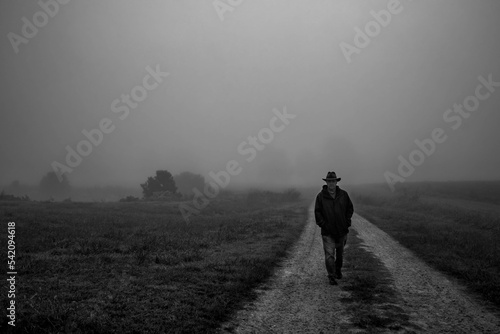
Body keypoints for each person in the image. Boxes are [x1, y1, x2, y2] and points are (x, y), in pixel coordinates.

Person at [314, 171, 354, 285]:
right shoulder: (321, 196)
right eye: (329, 181)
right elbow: (317, 212)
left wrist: (346, 222)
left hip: (342, 231)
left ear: (336, 182)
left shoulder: (344, 195)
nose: (331, 183)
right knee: (329, 255)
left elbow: (350, 209)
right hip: (327, 232)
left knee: (340, 254)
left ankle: (338, 270)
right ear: (326, 182)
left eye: (333, 181)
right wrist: (323, 224)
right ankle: (331, 276)